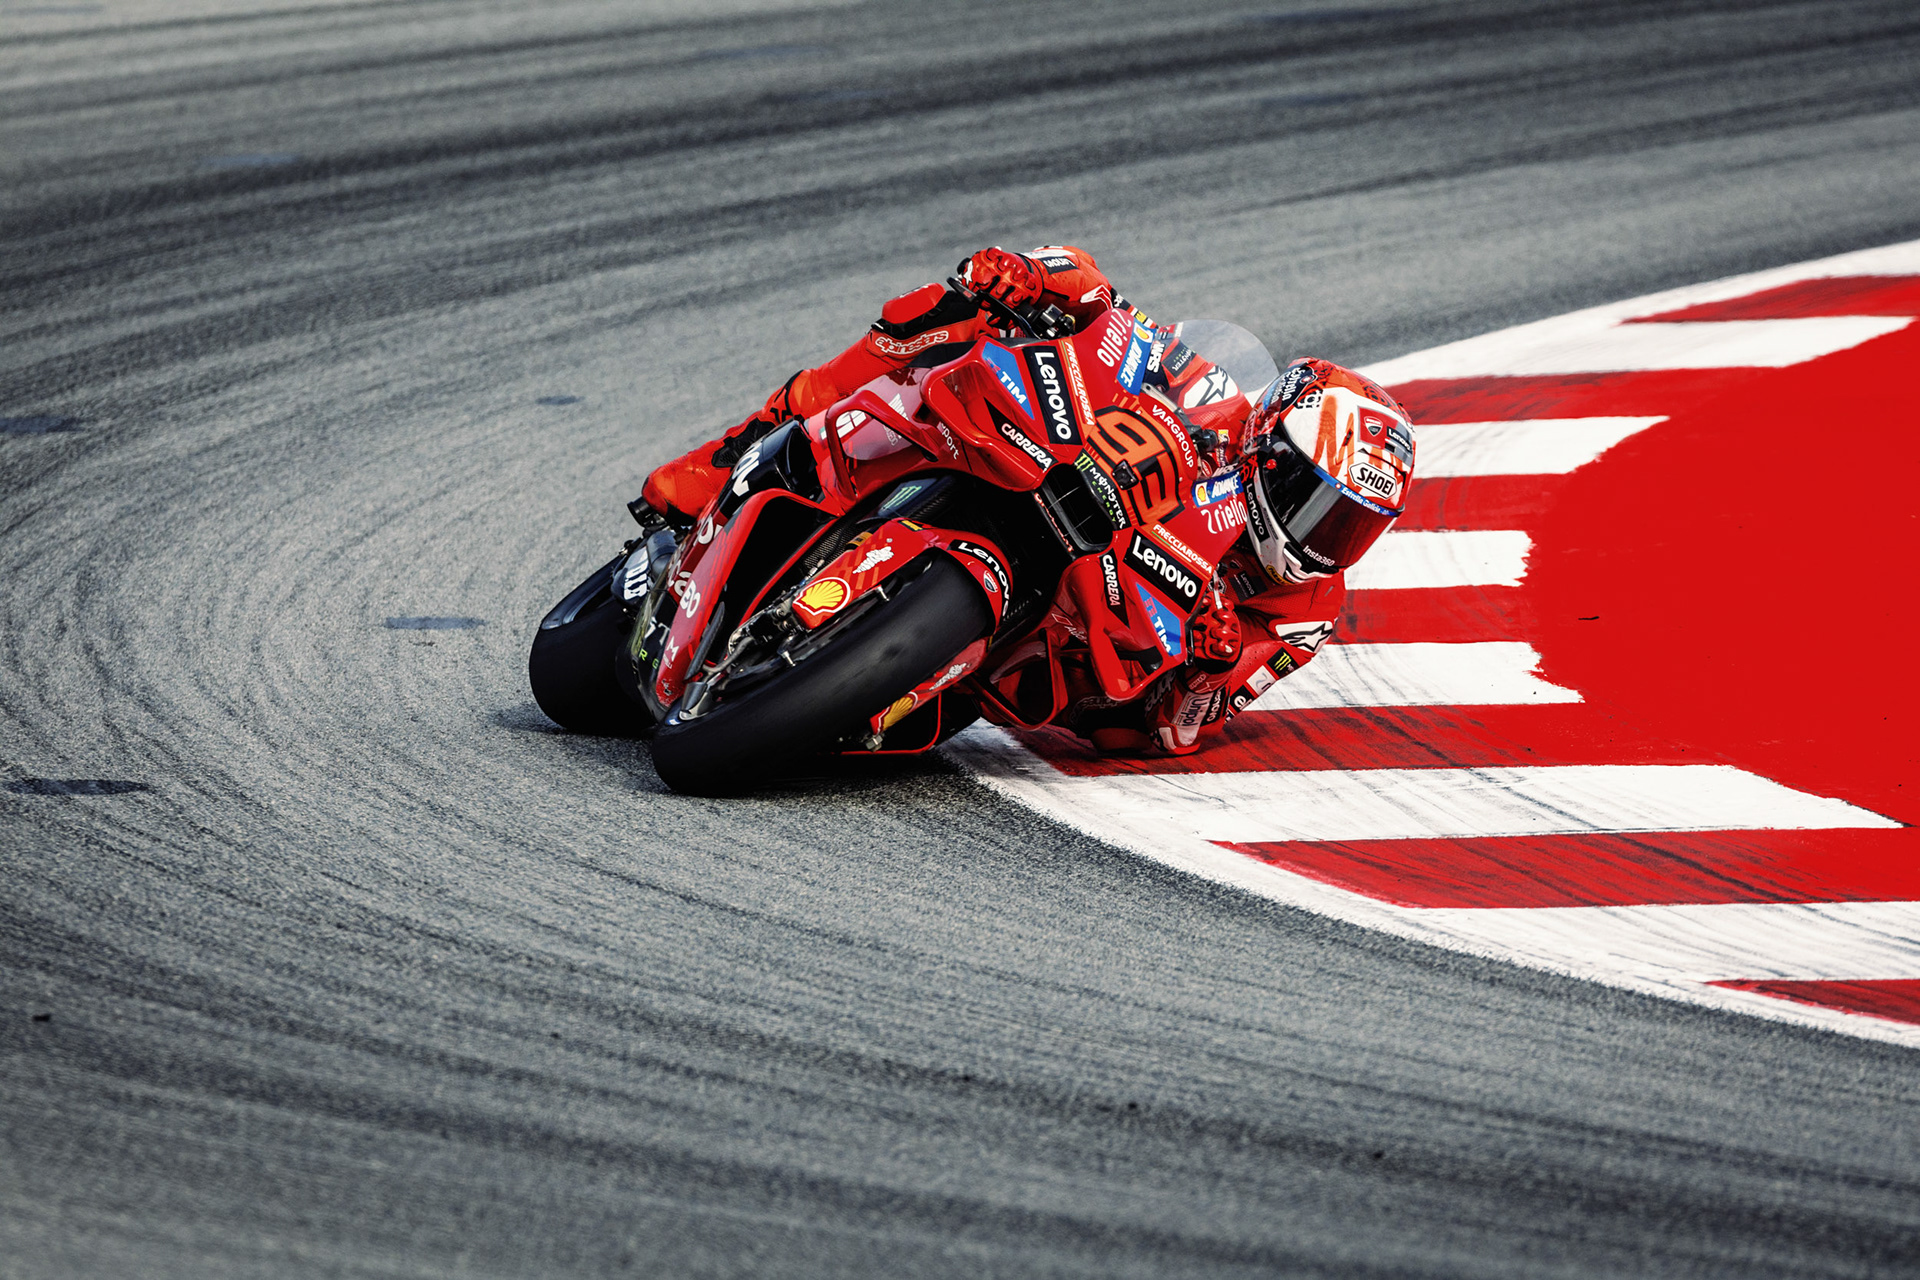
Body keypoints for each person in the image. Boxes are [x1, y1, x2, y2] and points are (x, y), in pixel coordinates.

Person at [638, 246, 1416, 755]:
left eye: (1351, 525)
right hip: (1043, 470)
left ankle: (842, 678)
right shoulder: (1213, 399)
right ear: (1268, 444)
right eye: (1315, 502)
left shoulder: (1305, 612)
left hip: (1063, 644)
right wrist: (1039, 277)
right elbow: (1117, 317)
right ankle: (730, 457)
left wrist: (1206, 673)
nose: (1325, 537)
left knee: (1092, 730)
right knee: (937, 318)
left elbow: (1177, 732)